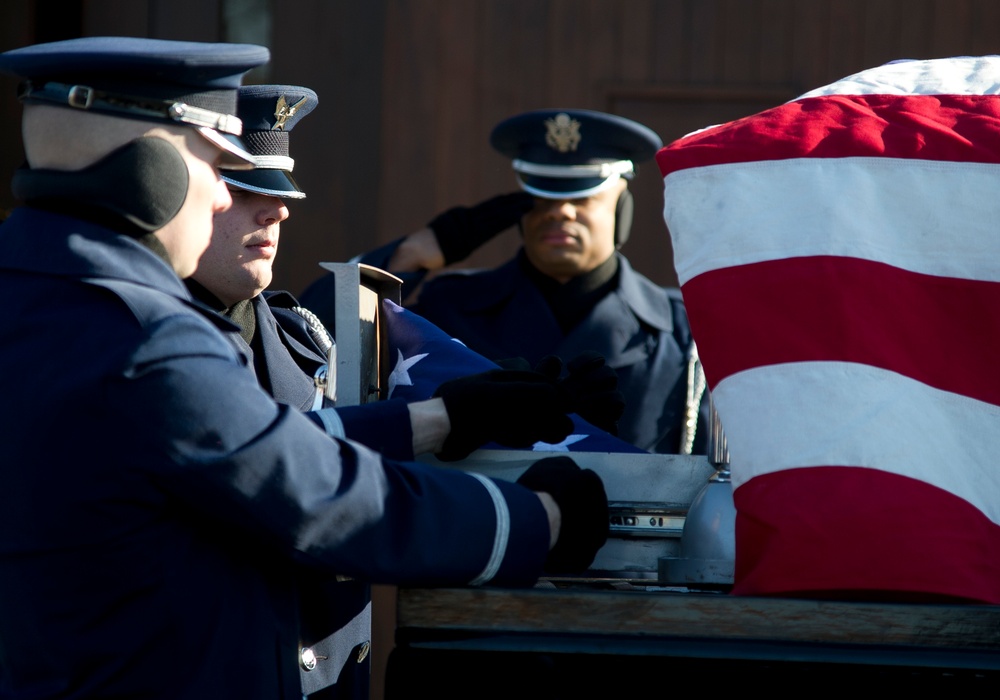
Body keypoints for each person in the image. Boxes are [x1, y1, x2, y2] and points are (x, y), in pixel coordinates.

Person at [0, 37, 608, 700]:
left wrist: (440, 419)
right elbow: (326, 500)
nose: (223, 200)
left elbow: (245, 448)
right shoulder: (147, 343)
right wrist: (540, 520)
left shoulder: (39, 306)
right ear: (151, 170)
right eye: (216, 164)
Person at [189, 83, 622, 697]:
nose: (279, 210)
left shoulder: (300, 339)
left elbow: (361, 444)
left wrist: (501, 409)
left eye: (282, 192)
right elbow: (305, 476)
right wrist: (528, 510)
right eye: (242, 186)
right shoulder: (146, 353)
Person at [301, 108, 707, 454]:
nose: (560, 213)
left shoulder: (684, 329)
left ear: (622, 209)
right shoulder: (451, 305)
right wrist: (413, 254)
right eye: (543, 196)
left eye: (582, 197)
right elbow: (313, 344)